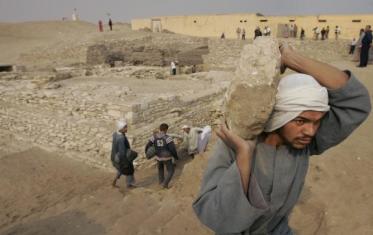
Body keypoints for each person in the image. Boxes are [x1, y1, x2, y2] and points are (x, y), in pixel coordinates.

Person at [193, 43, 371, 234]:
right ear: (280, 116)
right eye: (301, 120)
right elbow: (213, 216)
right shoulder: (235, 142)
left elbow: (356, 101)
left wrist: (291, 59)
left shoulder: (303, 145)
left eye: (317, 122)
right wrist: (244, 157)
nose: (310, 131)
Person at [145, 123, 178, 189]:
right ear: (166, 129)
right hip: (167, 157)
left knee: (160, 170)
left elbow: (148, 145)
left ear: (160, 129)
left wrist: (147, 152)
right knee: (171, 170)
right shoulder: (168, 138)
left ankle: (161, 182)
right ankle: (165, 184)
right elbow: (172, 148)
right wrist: (175, 156)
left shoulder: (154, 137)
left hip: (158, 157)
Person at [111, 120, 136, 188]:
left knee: (120, 169)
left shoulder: (115, 134)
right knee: (130, 170)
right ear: (121, 128)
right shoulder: (121, 138)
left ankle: (114, 181)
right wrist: (126, 162)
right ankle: (129, 184)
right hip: (121, 157)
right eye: (125, 127)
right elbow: (122, 152)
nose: (126, 129)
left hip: (115, 156)